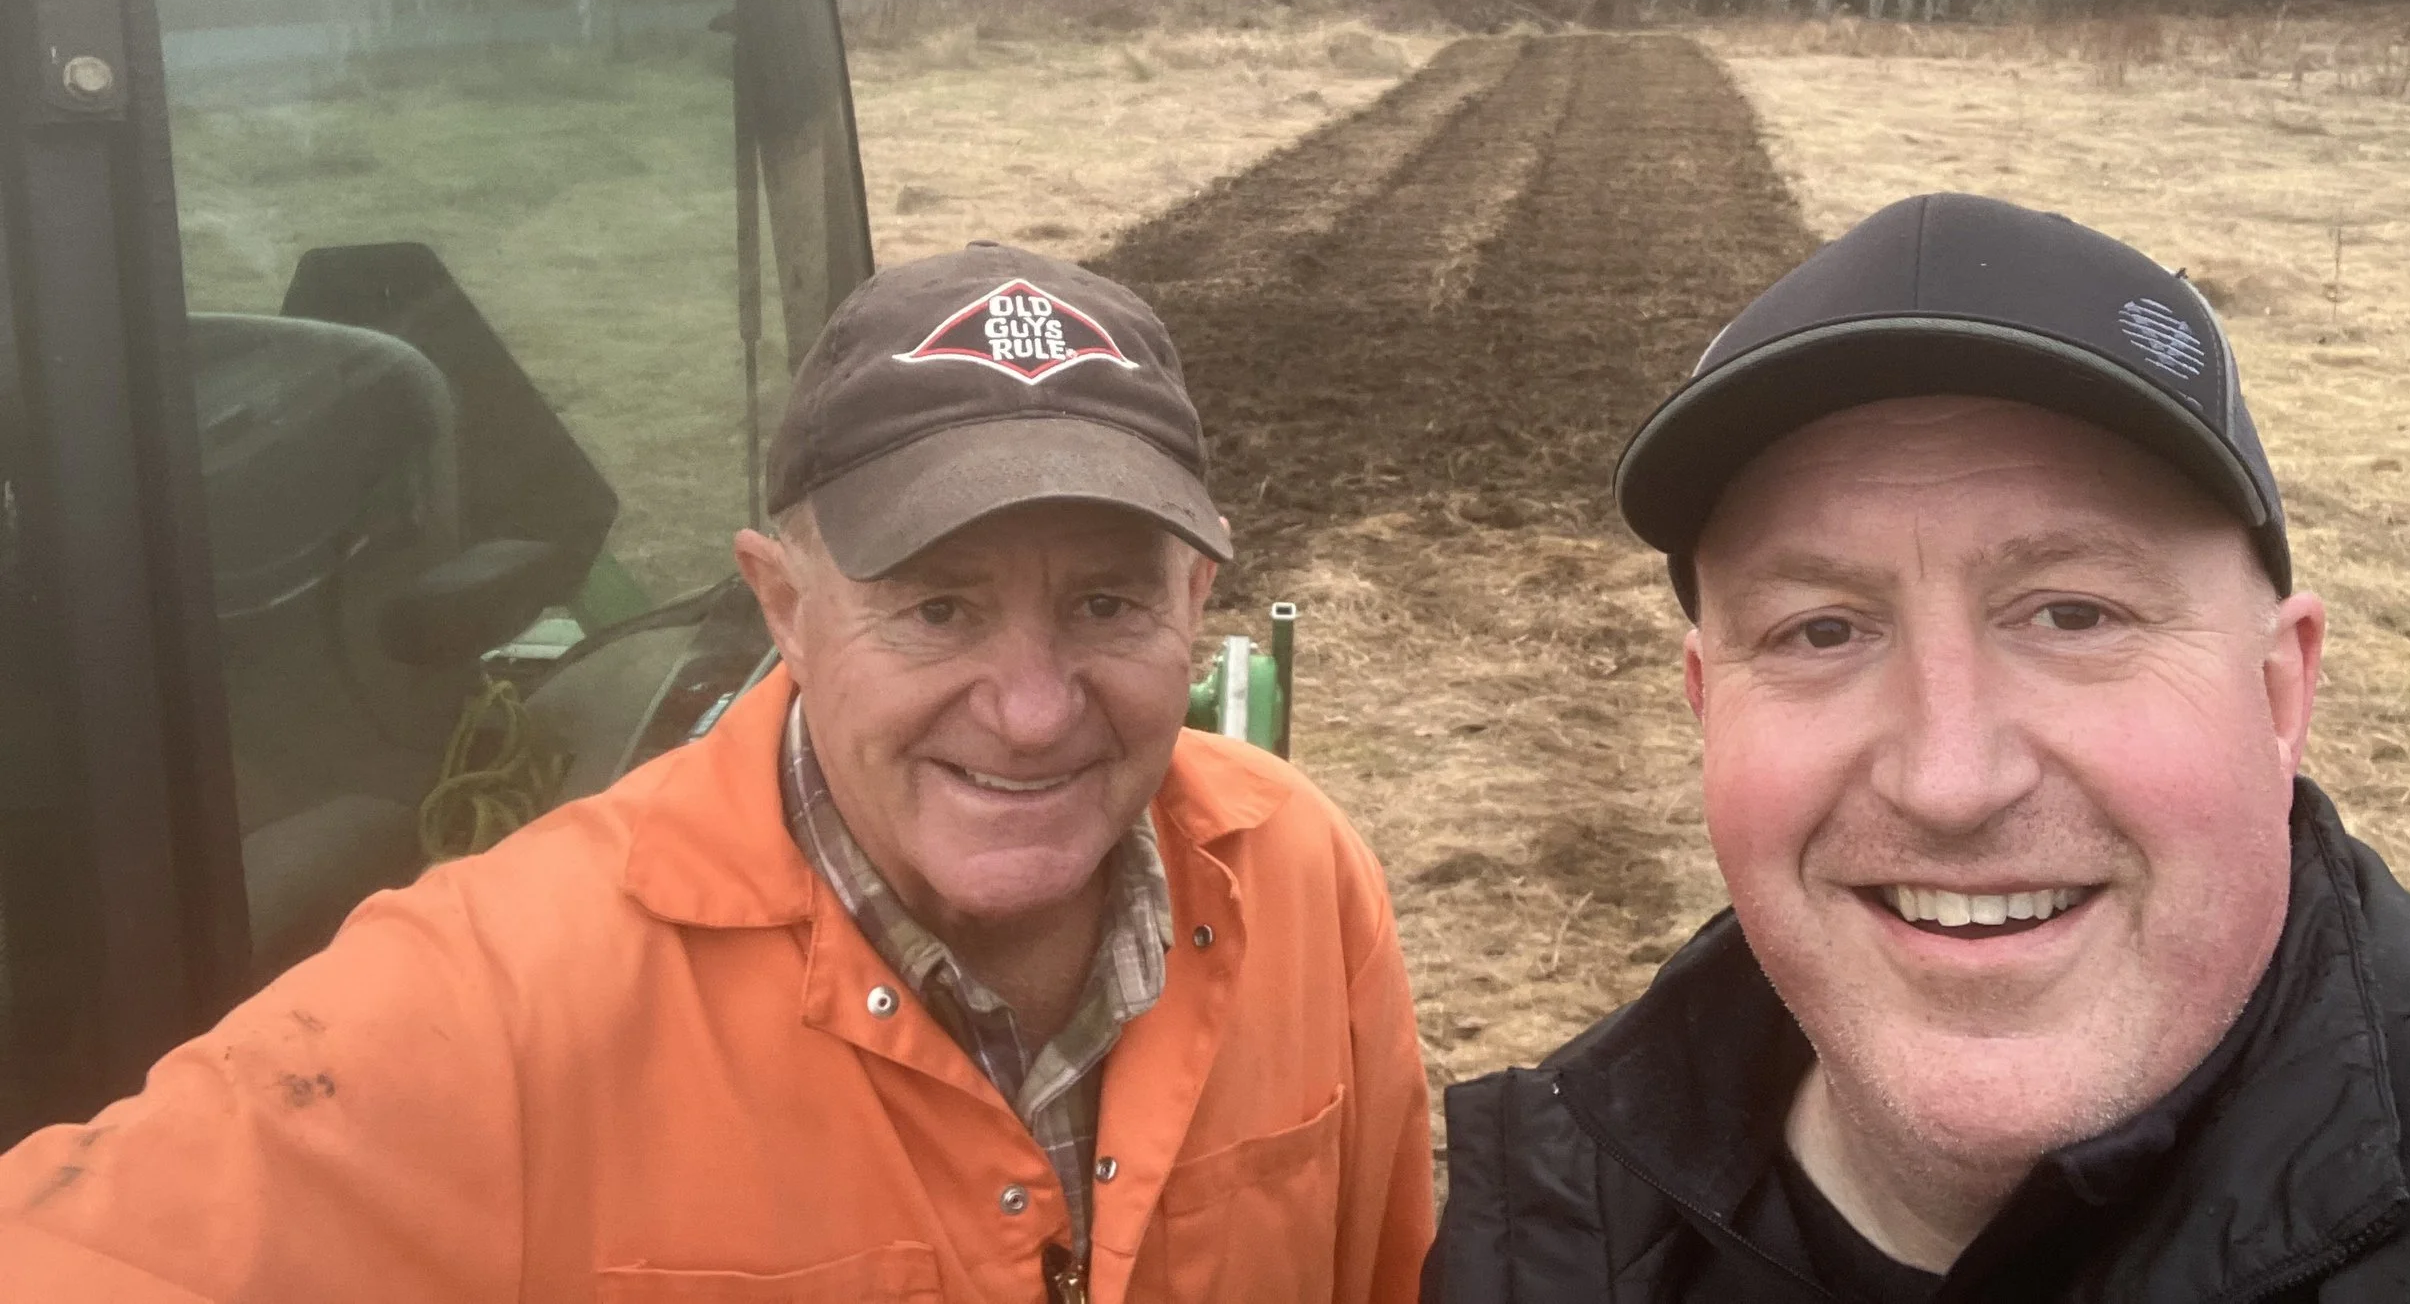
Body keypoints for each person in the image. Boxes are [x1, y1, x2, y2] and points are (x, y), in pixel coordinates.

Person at [0, 242, 1433, 1304]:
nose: (1031, 707)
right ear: (783, 606)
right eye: (937, 605)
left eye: (1109, 603)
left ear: (1199, 595)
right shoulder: (503, 999)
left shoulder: (1293, 878)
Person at [1430, 193, 2410, 1301]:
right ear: (1706, 705)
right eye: (1822, 630)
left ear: (2279, 688)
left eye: (2072, 614)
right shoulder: (1559, 1218)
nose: (1949, 782)